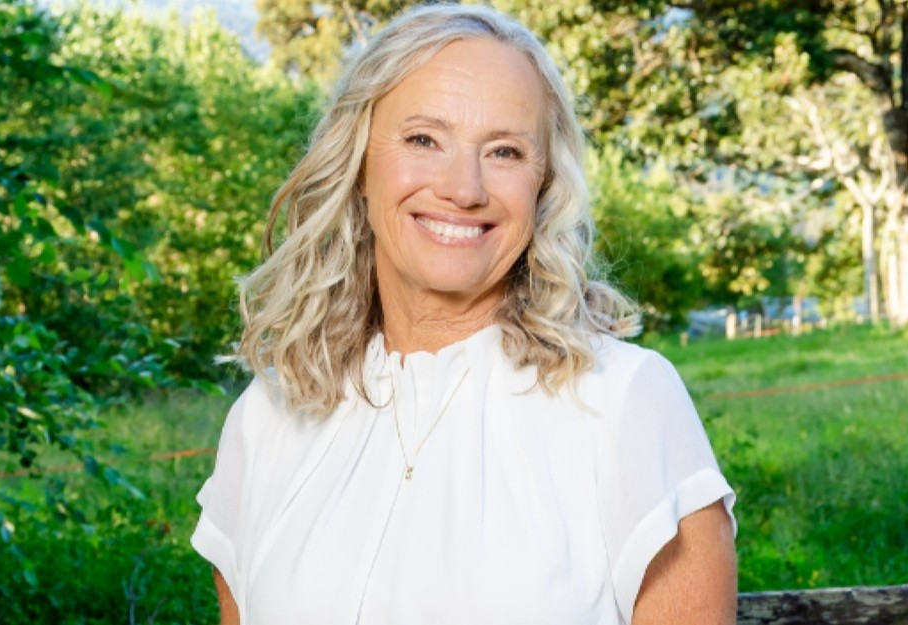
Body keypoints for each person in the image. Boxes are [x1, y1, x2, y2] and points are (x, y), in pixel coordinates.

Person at [191, 5, 736, 623]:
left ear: (544, 186)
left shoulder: (627, 403)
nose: (464, 187)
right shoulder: (266, 420)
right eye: (424, 139)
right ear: (359, 164)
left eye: (504, 152)